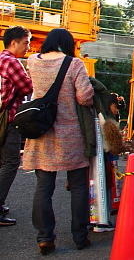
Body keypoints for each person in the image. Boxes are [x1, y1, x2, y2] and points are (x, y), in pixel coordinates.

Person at [22, 28, 94, 255]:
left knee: (44, 187)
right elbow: (84, 97)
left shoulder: (33, 61)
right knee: (79, 186)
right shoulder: (74, 64)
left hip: (41, 130)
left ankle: (44, 238)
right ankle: (80, 237)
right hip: (70, 134)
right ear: (68, 44)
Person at [0, 26, 33, 227]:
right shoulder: (11, 62)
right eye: (26, 42)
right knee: (11, 163)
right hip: (7, 120)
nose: (28, 47)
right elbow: (27, 87)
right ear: (14, 42)